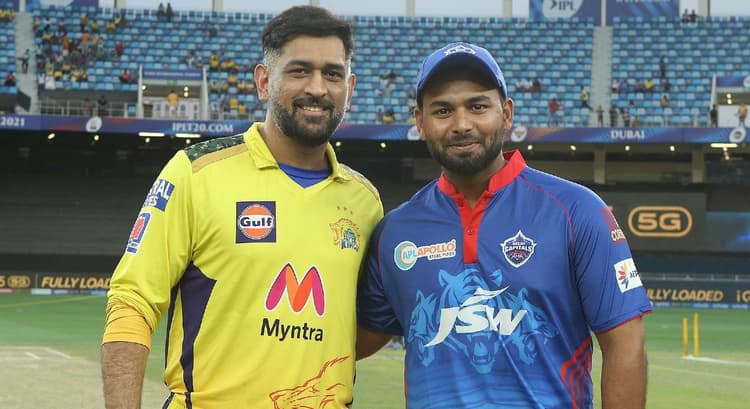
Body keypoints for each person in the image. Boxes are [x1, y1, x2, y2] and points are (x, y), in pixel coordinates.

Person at [101, 6, 383, 409]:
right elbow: (132, 301)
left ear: (349, 89)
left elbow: (361, 326)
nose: (318, 88)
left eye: (333, 74)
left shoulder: (365, 202)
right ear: (264, 82)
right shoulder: (195, 173)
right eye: (299, 71)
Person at [356, 42, 651, 408]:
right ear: (420, 122)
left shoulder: (577, 211)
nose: (461, 124)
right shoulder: (395, 231)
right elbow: (354, 342)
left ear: (506, 113)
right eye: (443, 110)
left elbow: (625, 341)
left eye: (478, 106)